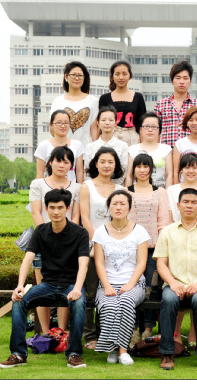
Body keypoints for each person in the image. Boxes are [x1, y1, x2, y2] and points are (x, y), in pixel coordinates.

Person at [0, 188, 89, 369]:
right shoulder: (40, 231)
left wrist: (77, 289)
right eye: (52, 207)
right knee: (19, 300)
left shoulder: (80, 233)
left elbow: (84, 264)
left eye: (60, 207)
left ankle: (74, 354)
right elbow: (28, 259)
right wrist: (20, 286)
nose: (56, 212)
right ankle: (18, 354)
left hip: (72, 285)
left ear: (67, 208)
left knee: (79, 304)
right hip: (47, 285)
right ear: (46, 209)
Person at [154, 188, 197, 371]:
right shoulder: (167, 231)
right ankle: (167, 353)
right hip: (173, 283)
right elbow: (161, 263)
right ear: (178, 205)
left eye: (193, 202)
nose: (189, 205)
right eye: (185, 202)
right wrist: (173, 283)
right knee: (169, 299)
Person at [27, 147, 82, 337]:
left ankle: (61, 333)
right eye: (58, 160)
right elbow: (36, 213)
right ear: (50, 162)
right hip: (42, 244)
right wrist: (47, 239)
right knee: (42, 288)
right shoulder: (38, 184)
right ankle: (45, 333)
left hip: (68, 246)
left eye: (66, 162)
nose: (61, 165)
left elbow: (75, 217)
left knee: (66, 286)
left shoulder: (76, 188)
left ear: (71, 166)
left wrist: (68, 241)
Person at [92, 190, 150, 366]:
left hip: (134, 284)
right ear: (109, 207)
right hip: (107, 283)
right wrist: (107, 285)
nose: (118, 207)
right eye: (114, 204)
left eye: (122, 204)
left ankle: (122, 351)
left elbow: (142, 262)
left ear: (129, 208)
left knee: (125, 302)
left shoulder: (139, 231)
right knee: (109, 305)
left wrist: (130, 284)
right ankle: (112, 349)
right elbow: (99, 263)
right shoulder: (100, 232)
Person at [79, 146, 125, 350]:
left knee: (109, 291)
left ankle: (105, 334)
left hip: (115, 249)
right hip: (91, 246)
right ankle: (90, 335)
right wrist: (99, 242)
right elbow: (85, 218)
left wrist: (112, 244)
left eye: (111, 162)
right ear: (96, 164)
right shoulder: (86, 186)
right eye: (103, 161)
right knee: (90, 292)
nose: (107, 165)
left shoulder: (120, 189)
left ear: (116, 166)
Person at [127, 153, 172, 343]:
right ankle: (133, 329)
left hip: (154, 249)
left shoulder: (160, 192)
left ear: (152, 169)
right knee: (132, 287)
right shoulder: (126, 191)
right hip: (132, 249)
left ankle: (148, 329)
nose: (142, 170)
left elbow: (163, 222)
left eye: (146, 166)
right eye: (139, 166)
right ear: (134, 169)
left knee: (152, 289)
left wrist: (163, 249)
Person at [154, 61, 197, 147]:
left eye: (185, 78)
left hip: (192, 152)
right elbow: (156, 132)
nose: (182, 82)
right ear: (172, 81)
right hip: (167, 152)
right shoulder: (160, 105)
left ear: (190, 81)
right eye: (178, 78)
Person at [98, 60, 146, 146]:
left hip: (132, 139)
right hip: (110, 138)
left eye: (124, 74)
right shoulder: (104, 98)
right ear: (112, 76)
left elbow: (142, 125)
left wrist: (143, 146)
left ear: (130, 76)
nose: (121, 77)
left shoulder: (138, 97)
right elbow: (100, 124)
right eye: (117, 74)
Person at [51, 61, 99, 145]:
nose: (77, 78)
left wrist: (95, 148)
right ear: (66, 77)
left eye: (80, 75)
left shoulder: (93, 101)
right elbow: (52, 128)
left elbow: (94, 128)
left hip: (85, 149)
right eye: (73, 75)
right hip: (63, 149)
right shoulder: (58, 101)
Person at [35, 110, 84, 184]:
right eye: (59, 122)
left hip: (71, 189)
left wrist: (80, 188)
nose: (63, 126)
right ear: (51, 125)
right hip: (50, 188)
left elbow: (79, 172)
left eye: (66, 123)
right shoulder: (44, 146)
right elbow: (40, 174)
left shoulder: (77, 145)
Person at [84, 106, 129, 185]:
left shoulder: (123, 146)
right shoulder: (90, 147)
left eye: (111, 120)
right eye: (103, 120)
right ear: (98, 123)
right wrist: (96, 186)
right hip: (94, 187)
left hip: (116, 187)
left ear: (116, 123)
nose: (107, 123)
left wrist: (111, 186)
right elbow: (87, 173)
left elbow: (123, 172)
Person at [126, 112, 172, 189]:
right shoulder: (132, 149)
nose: (150, 130)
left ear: (159, 130)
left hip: (160, 191)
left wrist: (167, 194)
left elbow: (169, 175)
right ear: (140, 129)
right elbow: (129, 176)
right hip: (137, 191)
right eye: (146, 126)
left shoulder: (166, 149)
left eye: (154, 127)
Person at [167, 152, 197, 224]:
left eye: (194, 168)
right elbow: (170, 218)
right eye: (187, 168)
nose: (191, 171)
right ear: (181, 170)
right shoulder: (172, 191)